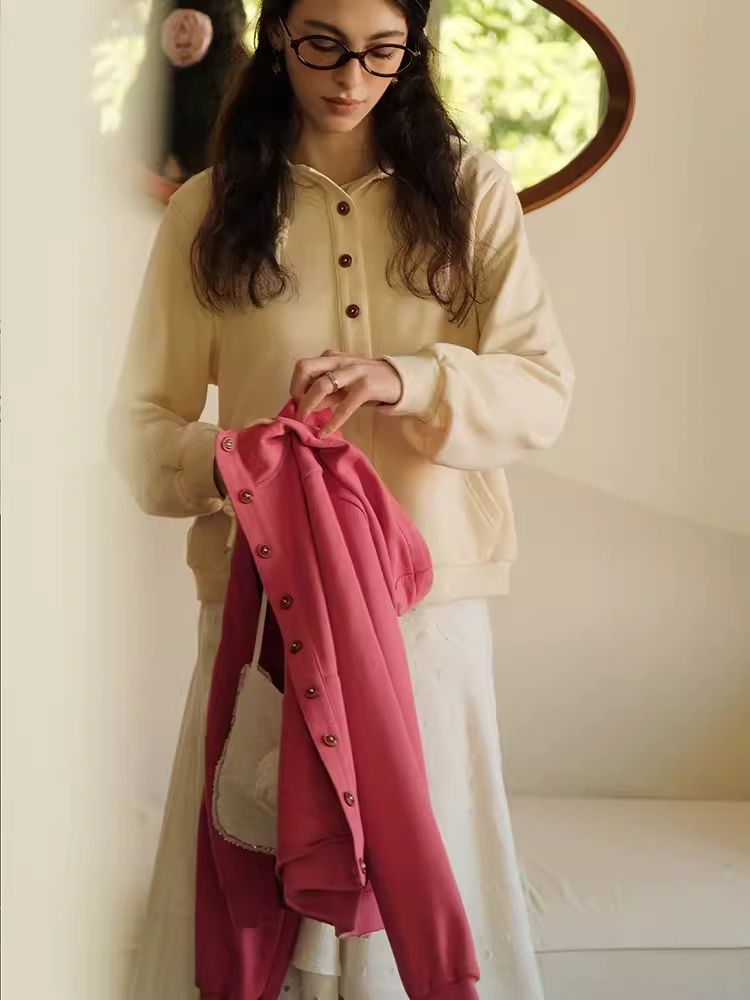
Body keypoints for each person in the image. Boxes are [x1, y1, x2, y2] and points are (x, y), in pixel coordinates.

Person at [109, 0, 574, 997]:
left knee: (422, 900)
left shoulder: (473, 193)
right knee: (248, 886)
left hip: (427, 608)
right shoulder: (209, 208)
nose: (350, 76)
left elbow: (542, 390)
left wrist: (406, 379)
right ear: (278, 35)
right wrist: (235, 461)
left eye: (380, 50)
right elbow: (138, 430)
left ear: (412, 51)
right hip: (263, 603)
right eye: (321, 44)